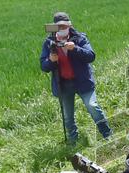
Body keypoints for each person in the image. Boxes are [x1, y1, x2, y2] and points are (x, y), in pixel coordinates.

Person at [39, 12, 113, 145]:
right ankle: (73, 142)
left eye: (64, 26)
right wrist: (50, 60)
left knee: (92, 106)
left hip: (82, 81)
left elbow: (91, 56)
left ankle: (107, 134)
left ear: (70, 25)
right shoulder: (49, 43)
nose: (62, 29)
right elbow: (43, 66)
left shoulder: (79, 38)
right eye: (59, 27)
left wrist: (75, 49)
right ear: (54, 28)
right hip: (63, 84)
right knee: (67, 116)